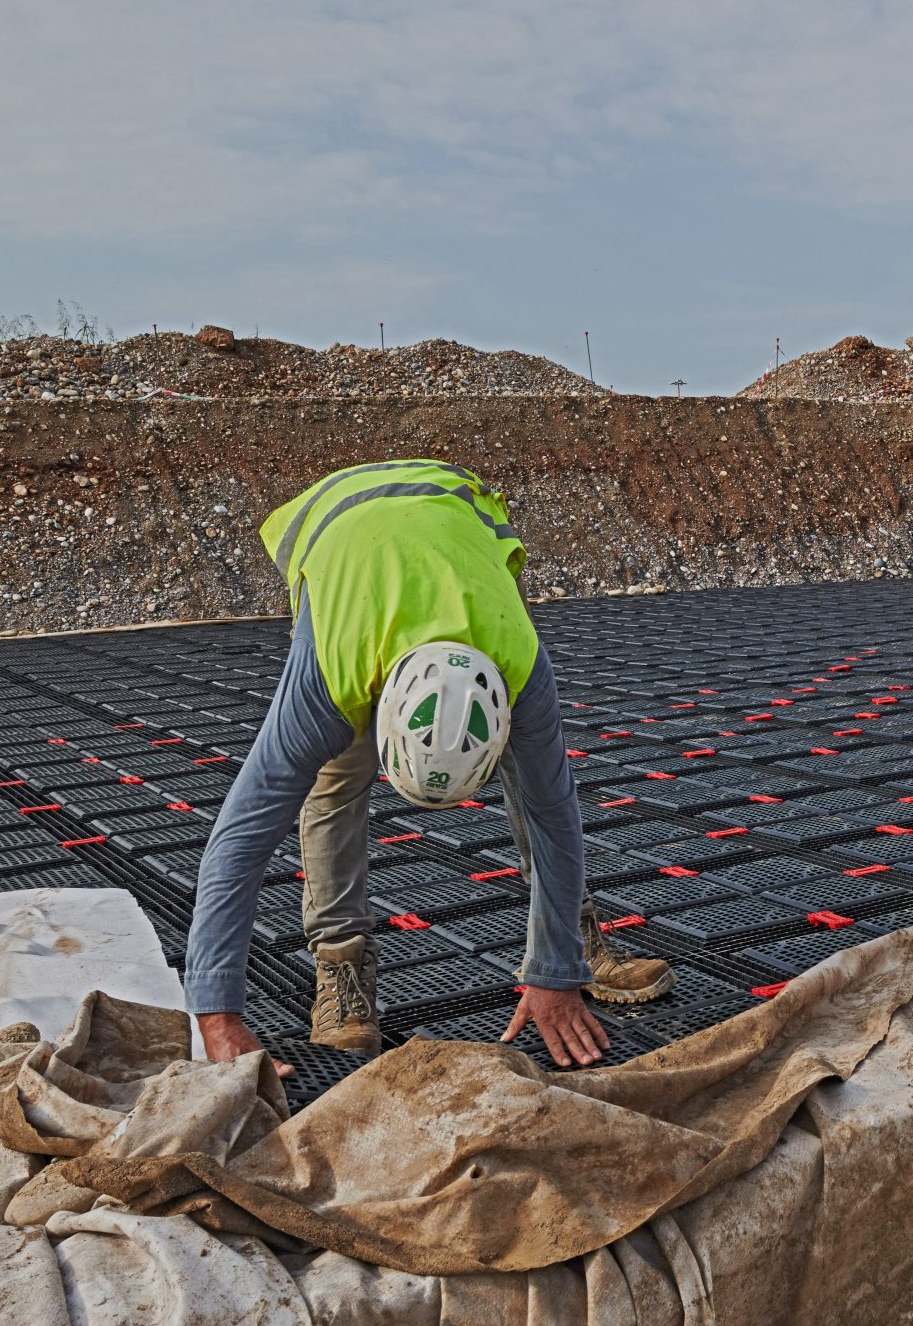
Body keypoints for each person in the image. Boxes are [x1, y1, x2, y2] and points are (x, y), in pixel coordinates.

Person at [185, 459, 672, 1072]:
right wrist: (217, 1016)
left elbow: (552, 811)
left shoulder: (519, 669)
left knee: (534, 777)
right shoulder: (328, 683)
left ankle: (571, 940)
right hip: (344, 538)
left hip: (455, 522)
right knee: (336, 777)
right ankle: (341, 966)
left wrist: (554, 972)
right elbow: (241, 836)